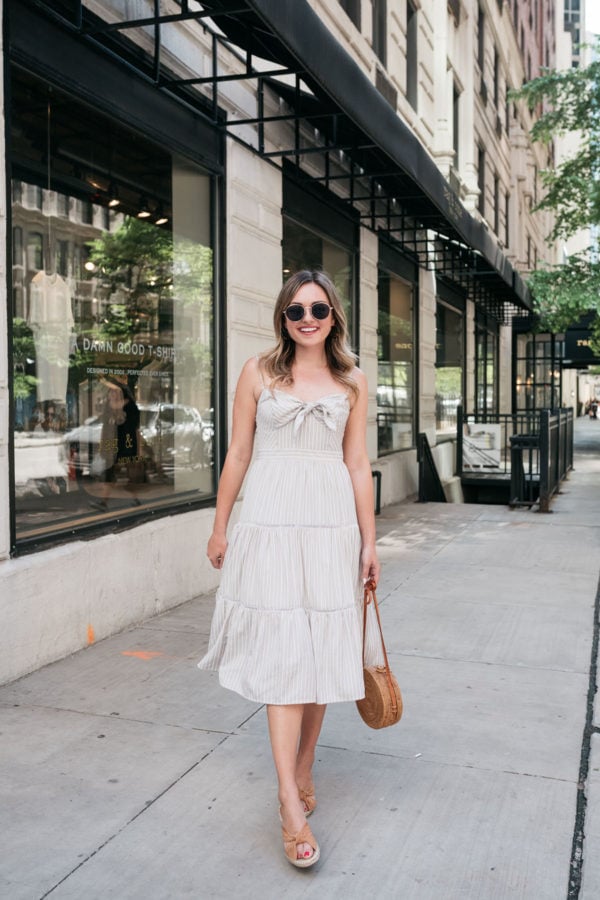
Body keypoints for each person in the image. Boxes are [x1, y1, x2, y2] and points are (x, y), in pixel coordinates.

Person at [198, 270, 380, 868]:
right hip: (271, 523)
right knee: (283, 655)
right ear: (282, 315)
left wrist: (369, 542)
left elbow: (357, 464)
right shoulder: (257, 372)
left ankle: (303, 769)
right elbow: (239, 453)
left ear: (334, 318)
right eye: (296, 308)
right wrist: (221, 524)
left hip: (331, 527)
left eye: (319, 309)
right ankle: (288, 800)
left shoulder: (353, 379)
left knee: (322, 648)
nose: (307, 317)